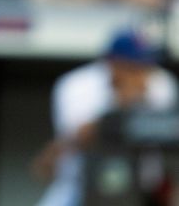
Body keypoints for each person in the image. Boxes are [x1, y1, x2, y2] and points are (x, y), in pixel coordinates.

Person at [33, 28, 178, 206]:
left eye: (145, 64)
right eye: (134, 65)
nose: (143, 72)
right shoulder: (77, 84)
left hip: (144, 185)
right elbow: (78, 140)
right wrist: (122, 103)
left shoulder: (161, 83)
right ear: (112, 63)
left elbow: (163, 137)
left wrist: (141, 100)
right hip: (81, 183)